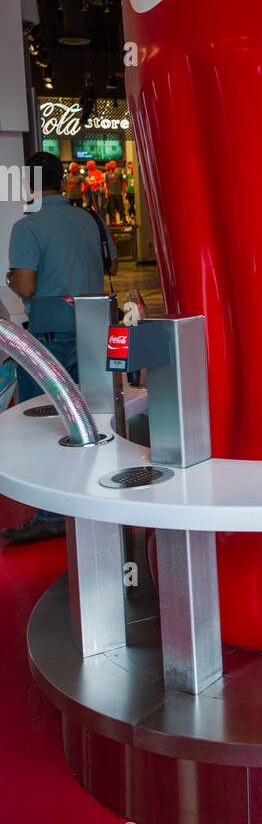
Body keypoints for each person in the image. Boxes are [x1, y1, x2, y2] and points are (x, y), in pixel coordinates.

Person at [2, 152, 118, 544]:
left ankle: (52, 514)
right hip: (95, 329)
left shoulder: (28, 227)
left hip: (51, 338)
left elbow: (28, 286)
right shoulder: (90, 219)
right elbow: (111, 268)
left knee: (48, 427)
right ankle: (97, 498)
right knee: (98, 419)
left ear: (30, 184)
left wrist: (13, 280)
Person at [104, 160, 127, 224]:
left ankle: (124, 220)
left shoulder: (119, 174)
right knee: (112, 208)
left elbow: (123, 183)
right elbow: (106, 184)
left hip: (118, 193)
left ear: (115, 165)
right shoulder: (107, 174)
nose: (112, 165)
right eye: (111, 164)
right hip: (110, 193)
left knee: (121, 207)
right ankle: (114, 221)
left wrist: (123, 191)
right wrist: (106, 192)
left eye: (113, 164)